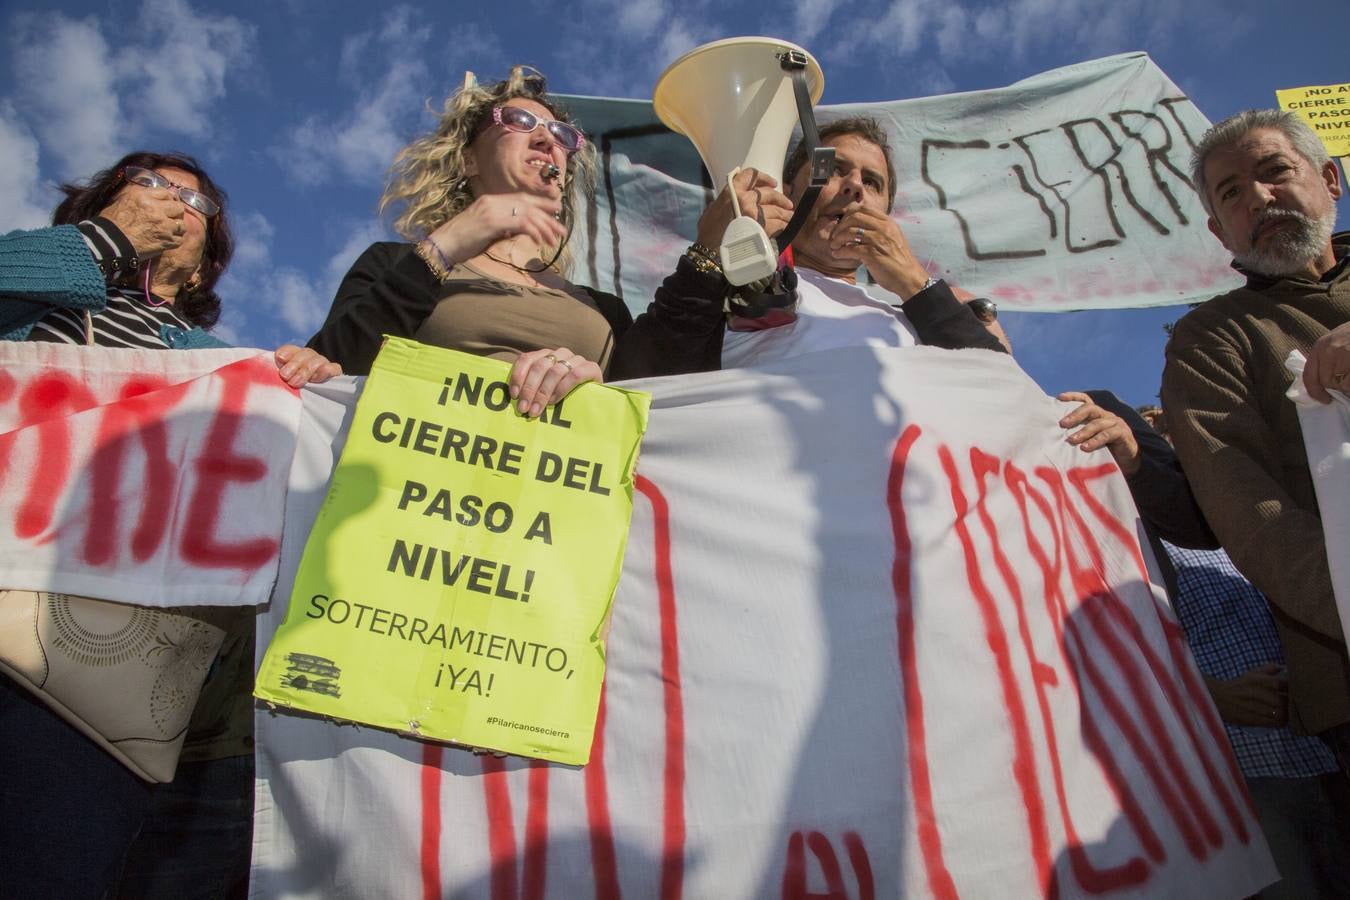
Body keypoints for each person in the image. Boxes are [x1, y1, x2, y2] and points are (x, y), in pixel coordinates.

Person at [0, 150, 340, 899]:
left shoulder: (216, 363)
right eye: (150, 186)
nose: (174, 203)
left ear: (207, 259)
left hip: (89, 680)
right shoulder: (33, 284)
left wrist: (306, 389)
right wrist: (106, 241)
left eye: (196, 202)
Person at [1061, 394, 1350, 896]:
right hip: (1234, 773)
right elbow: (1090, 643)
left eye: (1166, 431)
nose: (1161, 437)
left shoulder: (1239, 515)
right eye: (1153, 427)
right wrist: (1204, 694)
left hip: (1323, 747)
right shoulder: (1109, 536)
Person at [309, 66, 684, 410]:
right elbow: (324, 375)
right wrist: (444, 248)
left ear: (566, 176)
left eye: (561, 134)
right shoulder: (393, 265)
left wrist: (599, 393)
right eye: (520, 120)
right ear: (468, 161)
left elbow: (665, 410)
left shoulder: (605, 310)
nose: (545, 138)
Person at [1159, 109, 1350, 772]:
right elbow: (1252, 516)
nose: (1259, 199)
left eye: (1274, 172)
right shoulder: (1214, 340)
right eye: (1231, 193)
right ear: (1218, 230)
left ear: (1331, 179)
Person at [611, 115, 1006, 375]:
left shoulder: (915, 317)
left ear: (887, 212)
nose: (854, 186)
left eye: (872, 183)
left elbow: (1003, 392)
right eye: (833, 170)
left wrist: (916, 285)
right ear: (787, 192)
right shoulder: (733, 296)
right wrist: (707, 255)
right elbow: (638, 380)